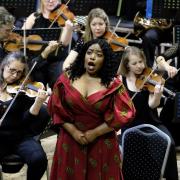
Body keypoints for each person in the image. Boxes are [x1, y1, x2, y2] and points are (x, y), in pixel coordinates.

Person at [48, 38, 135, 180]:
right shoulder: (66, 79)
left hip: (101, 142)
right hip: (70, 140)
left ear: (105, 60)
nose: (93, 57)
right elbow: (55, 108)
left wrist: (94, 133)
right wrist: (74, 131)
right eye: (89, 53)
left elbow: (125, 114)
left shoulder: (114, 85)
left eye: (99, 55)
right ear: (83, 55)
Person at [117, 46, 179, 180]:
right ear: (127, 65)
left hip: (151, 122)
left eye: (141, 62)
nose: (139, 66)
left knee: (170, 143)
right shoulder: (120, 81)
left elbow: (152, 105)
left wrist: (157, 94)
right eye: (134, 63)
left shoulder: (151, 77)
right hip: (130, 124)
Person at [0, 51, 50, 180]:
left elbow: (26, 120)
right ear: (4, 66)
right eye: (12, 70)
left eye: (19, 72)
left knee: (39, 159)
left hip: (20, 137)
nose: (15, 75)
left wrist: (38, 103)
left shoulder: (23, 91)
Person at [22, 0, 74, 88]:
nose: (50, 1)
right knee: (35, 76)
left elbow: (64, 43)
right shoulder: (34, 17)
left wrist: (69, 28)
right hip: (38, 58)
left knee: (59, 76)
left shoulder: (63, 18)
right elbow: (21, 36)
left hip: (56, 59)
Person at [156, 44, 180, 146]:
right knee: (170, 106)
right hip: (176, 87)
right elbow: (160, 58)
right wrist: (168, 67)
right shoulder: (179, 46)